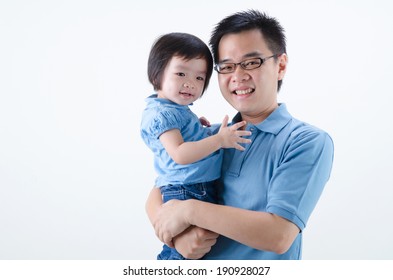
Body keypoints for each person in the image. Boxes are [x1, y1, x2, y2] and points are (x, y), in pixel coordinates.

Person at [146, 10, 334, 260]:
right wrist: (176, 238)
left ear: (281, 66)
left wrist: (190, 211)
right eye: (227, 66)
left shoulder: (306, 141)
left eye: (251, 62)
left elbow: (278, 235)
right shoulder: (215, 136)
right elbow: (160, 190)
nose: (238, 75)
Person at [140, 32, 251, 260]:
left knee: (190, 251)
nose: (190, 83)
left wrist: (200, 131)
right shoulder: (163, 114)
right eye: (181, 73)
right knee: (184, 254)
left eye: (200, 78)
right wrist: (219, 140)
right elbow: (180, 154)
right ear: (156, 74)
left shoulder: (175, 110)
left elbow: (186, 142)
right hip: (187, 189)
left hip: (191, 187)